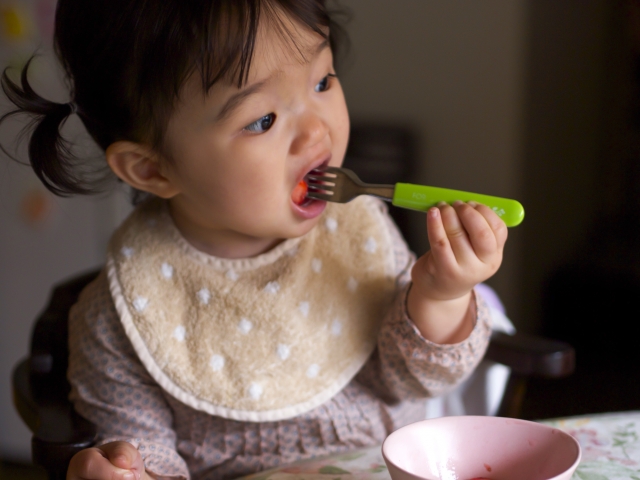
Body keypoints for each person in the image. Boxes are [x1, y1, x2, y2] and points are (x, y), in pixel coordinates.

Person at [1, 1, 508, 478]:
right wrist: (129, 468)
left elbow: (414, 380)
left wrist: (440, 293)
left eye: (323, 81)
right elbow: (145, 450)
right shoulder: (120, 312)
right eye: (262, 120)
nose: (315, 133)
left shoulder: (355, 232)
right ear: (151, 168)